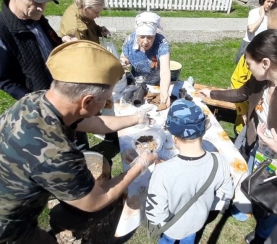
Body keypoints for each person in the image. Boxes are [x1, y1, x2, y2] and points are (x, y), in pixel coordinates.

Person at [0, 40, 158, 243]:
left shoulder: (36, 100)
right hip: (9, 228)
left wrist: (137, 118)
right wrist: (139, 165)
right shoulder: (58, 153)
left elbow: (96, 123)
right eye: (106, 100)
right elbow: (95, 201)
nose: (106, 105)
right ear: (88, 101)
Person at [200, 29, 277, 243]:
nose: (248, 69)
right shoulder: (261, 80)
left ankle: (262, 235)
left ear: (265, 63)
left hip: (275, 156)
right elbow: (241, 93)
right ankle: (251, 207)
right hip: (259, 145)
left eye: (250, 64)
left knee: (271, 200)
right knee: (252, 182)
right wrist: (213, 93)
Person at [145, 99, 234, 244]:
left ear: (174, 137)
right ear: (204, 130)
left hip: (170, 227)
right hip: (197, 223)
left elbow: (154, 214)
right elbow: (226, 195)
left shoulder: (162, 171)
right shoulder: (220, 161)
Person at [120, 11, 171, 108]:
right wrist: (124, 61)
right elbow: (124, 57)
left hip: (157, 84)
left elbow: (165, 70)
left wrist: (164, 91)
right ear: (137, 35)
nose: (145, 42)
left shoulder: (161, 43)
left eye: (150, 37)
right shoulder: (130, 40)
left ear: (155, 35)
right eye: (141, 37)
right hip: (136, 82)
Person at [235, 0, 274, 64]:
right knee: (244, 69)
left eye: (272, 2)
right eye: (268, 1)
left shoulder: (272, 15)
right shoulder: (254, 12)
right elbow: (251, 29)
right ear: (263, 1)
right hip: (250, 44)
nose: (269, 4)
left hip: (263, 45)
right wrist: (262, 16)